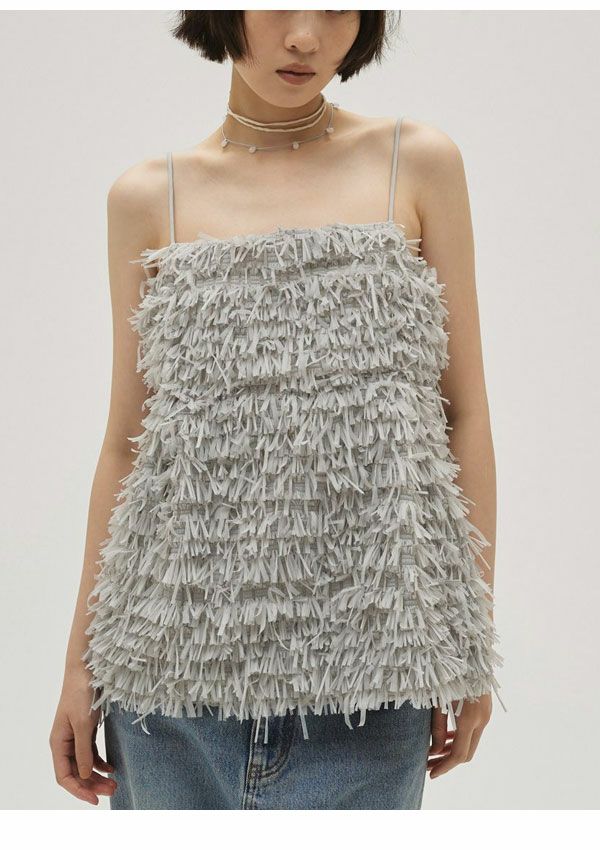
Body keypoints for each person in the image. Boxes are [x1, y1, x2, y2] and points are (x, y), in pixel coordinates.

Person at [49, 10, 505, 810]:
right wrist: (79, 666)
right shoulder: (149, 196)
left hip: (371, 683)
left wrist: (469, 642)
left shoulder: (416, 162)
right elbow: (128, 444)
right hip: (167, 688)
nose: (305, 37)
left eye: (335, 8)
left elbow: (463, 411)